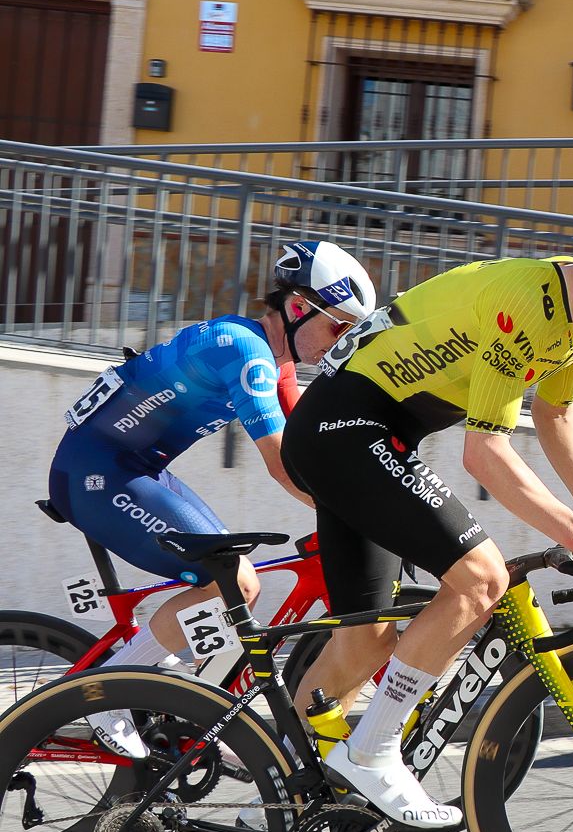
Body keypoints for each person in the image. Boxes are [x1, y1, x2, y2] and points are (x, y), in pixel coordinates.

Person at [283, 169, 573, 828]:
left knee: (363, 647)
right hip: (346, 429)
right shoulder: (530, 303)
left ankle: (283, 802)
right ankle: (373, 750)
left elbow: (556, 412)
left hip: (360, 434)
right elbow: (485, 453)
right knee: (480, 579)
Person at [50, 241, 376, 756]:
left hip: (135, 468)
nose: (342, 342)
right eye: (339, 328)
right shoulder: (244, 351)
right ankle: (107, 694)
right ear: (298, 307)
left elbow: (310, 444)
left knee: (237, 586)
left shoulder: (276, 361)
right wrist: (357, 515)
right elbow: (280, 460)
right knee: (232, 580)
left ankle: (184, 706)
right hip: (95, 475)